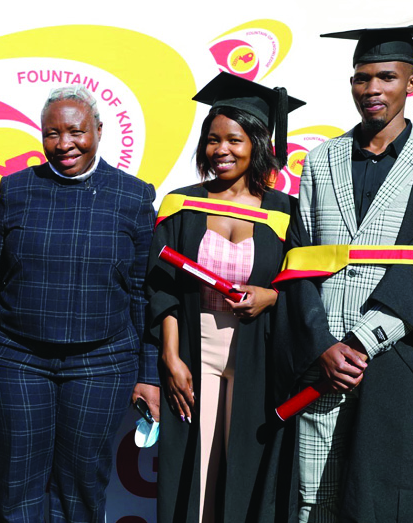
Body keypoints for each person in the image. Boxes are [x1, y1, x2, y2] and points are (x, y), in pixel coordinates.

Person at [271, 22, 413, 522]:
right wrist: (322, 342)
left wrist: (363, 340)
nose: (371, 90)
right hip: (322, 364)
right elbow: (299, 260)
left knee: (384, 499)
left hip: (399, 359)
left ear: (412, 83)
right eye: (361, 78)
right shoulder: (321, 162)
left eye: (386, 77)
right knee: (313, 496)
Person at [0, 85, 159, 523]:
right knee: (17, 487)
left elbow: (142, 292)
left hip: (102, 362)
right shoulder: (16, 189)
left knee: (80, 490)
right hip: (16, 359)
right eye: (52, 134)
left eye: (76, 132)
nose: (64, 145)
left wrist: (148, 374)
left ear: (98, 129)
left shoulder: (133, 197)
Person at [147, 72, 303, 523]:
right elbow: (163, 286)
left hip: (258, 348)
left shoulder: (284, 211)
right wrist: (171, 357)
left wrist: (271, 298)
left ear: (257, 143)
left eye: (234, 140)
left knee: (247, 460)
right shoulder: (182, 204)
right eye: (213, 140)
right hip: (197, 345)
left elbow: (299, 284)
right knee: (198, 464)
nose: (221, 151)